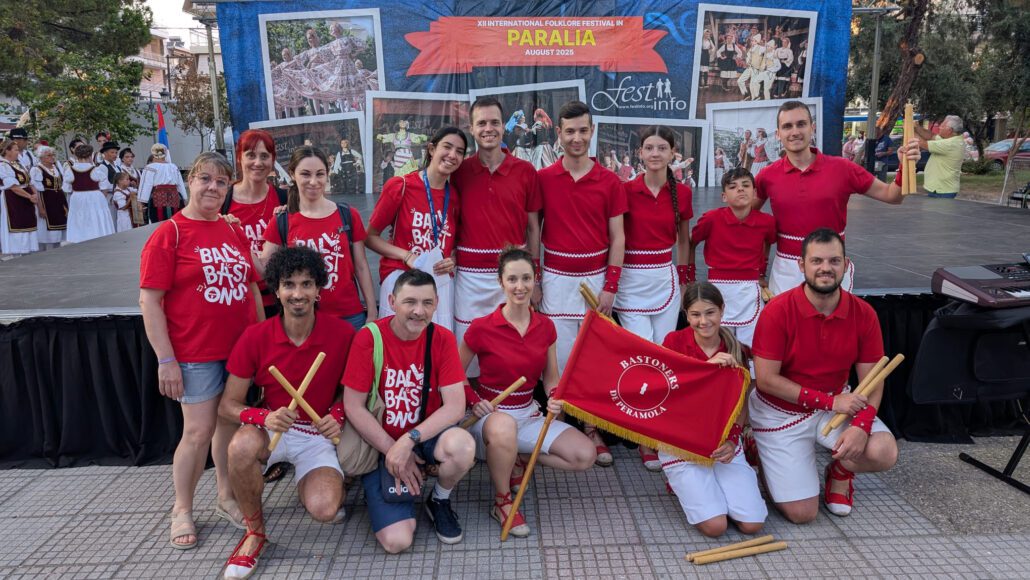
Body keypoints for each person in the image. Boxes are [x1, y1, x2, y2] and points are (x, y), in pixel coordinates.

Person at [139, 152, 264, 550]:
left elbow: (251, 286)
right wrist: (166, 359)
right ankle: (182, 508)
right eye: (205, 178)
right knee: (196, 432)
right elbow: (149, 301)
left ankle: (226, 496)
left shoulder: (232, 229)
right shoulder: (170, 233)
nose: (213, 187)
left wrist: (261, 341)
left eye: (222, 181)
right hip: (195, 353)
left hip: (238, 352)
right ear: (190, 181)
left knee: (226, 426)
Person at [219, 246, 355, 579]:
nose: (297, 293)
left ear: (318, 290)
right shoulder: (255, 337)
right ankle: (254, 533)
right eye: (289, 284)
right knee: (240, 448)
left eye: (306, 284)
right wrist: (263, 417)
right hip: (272, 427)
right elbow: (227, 406)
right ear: (276, 290)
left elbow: (352, 391)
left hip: (317, 434)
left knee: (325, 509)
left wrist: (337, 413)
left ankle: (312, 480)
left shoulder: (342, 334)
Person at [750, 229, 899, 523]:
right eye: (816, 261)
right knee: (802, 514)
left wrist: (861, 426)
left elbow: (873, 380)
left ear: (846, 264)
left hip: (834, 405)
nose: (825, 268)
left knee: (883, 451)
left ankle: (840, 471)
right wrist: (830, 403)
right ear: (801, 265)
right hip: (781, 412)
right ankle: (761, 452)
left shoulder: (864, 313)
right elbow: (766, 380)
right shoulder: (777, 311)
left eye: (834, 261)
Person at [460, 248, 596, 536]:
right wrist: (474, 401)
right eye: (512, 279)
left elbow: (551, 378)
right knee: (504, 428)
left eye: (526, 278)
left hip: (528, 413)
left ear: (535, 280)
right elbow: (455, 375)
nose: (519, 286)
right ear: (501, 282)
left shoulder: (546, 326)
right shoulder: (481, 327)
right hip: (490, 417)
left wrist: (556, 395)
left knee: (585, 455)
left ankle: (516, 459)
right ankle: (502, 501)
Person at [342, 269, 476, 553]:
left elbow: (455, 406)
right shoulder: (369, 338)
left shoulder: (442, 338)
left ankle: (438, 499)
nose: (419, 311)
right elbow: (353, 406)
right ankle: (379, 485)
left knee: (463, 447)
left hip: (422, 436)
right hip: (380, 441)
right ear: (392, 302)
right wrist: (394, 449)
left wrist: (408, 441)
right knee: (397, 541)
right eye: (410, 302)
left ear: (436, 303)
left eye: (427, 302)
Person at [538, 100, 627, 466]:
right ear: (559, 133)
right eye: (570, 131)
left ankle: (591, 428)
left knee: (592, 361)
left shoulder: (610, 181)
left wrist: (611, 286)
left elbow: (618, 237)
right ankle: (555, 427)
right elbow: (533, 230)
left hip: (594, 280)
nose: (577, 137)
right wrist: (536, 278)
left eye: (583, 130)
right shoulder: (543, 179)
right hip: (556, 280)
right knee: (557, 361)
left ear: (592, 132)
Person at [754, 101, 919, 295]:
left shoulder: (843, 168)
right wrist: (755, 270)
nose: (795, 131)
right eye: (787, 126)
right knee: (787, 317)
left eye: (801, 124)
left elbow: (892, 196)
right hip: (787, 269)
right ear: (778, 134)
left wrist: (905, 166)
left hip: (830, 267)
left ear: (812, 127)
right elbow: (745, 217)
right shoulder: (767, 175)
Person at [615, 126, 693, 471]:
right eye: (649, 147)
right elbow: (615, 237)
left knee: (665, 357)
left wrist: (685, 281)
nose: (656, 153)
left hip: (665, 280)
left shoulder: (683, 193)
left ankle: (661, 431)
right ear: (640, 153)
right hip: (631, 280)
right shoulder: (625, 190)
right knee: (641, 358)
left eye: (662, 148)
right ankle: (644, 438)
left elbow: (684, 240)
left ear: (673, 153)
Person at [661, 282, 767, 537]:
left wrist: (733, 439)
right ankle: (684, 482)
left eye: (710, 312)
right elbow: (666, 397)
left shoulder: (738, 349)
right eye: (695, 314)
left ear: (722, 310)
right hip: (683, 442)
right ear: (686, 315)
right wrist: (705, 370)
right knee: (715, 526)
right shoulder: (673, 341)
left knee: (752, 523)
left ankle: (710, 486)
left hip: (722, 442)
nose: (703, 321)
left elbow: (741, 402)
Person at [451, 97, 542, 377]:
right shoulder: (459, 172)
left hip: (512, 278)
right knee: (467, 353)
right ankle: (469, 401)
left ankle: (510, 402)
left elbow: (533, 228)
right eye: (481, 123)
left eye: (494, 122)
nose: (488, 129)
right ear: (471, 128)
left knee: (509, 351)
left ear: (504, 126)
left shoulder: (525, 171)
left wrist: (535, 277)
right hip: (469, 279)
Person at [261, 146, 378, 330]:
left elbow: (361, 266)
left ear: (327, 175)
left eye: (320, 174)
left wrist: (371, 312)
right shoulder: (282, 220)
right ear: (292, 174)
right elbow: (264, 268)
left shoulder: (347, 214)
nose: (313, 181)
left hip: (349, 315)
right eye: (305, 174)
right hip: (304, 319)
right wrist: (236, 236)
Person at [366, 126, 466, 331]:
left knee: (436, 344)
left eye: (459, 151)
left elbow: (453, 244)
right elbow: (369, 237)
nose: (452, 155)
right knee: (399, 344)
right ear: (431, 149)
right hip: (402, 278)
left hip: (439, 284)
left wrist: (452, 260)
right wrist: (406, 255)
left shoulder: (455, 196)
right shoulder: (401, 186)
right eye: (447, 147)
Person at [690, 167, 775, 349]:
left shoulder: (766, 222)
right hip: (718, 289)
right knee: (720, 344)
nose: (740, 189)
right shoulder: (711, 219)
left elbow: (768, 242)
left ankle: (748, 369)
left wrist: (762, 272)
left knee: (751, 345)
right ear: (724, 196)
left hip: (749, 291)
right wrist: (689, 276)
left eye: (745, 185)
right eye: (733, 186)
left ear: (754, 193)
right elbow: (691, 242)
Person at [224, 130, 288, 319]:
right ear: (239, 158)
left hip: (278, 301)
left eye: (264, 156)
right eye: (251, 155)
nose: (258, 163)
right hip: (237, 299)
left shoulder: (284, 199)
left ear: (273, 160)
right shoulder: (223, 201)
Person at [61, 143, 114, 243]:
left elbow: (67, 189)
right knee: (96, 217)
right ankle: (99, 237)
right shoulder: (96, 170)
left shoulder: (70, 171)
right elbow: (105, 187)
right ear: (90, 155)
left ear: (76, 155)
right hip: (95, 196)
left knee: (79, 218)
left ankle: (79, 239)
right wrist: (101, 199)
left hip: (77, 197)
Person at [0, 139, 40, 255]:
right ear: (7, 151)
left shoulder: (18, 164)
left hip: (26, 199)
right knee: (17, 224)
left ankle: (28, 252)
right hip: (13, 199)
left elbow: (30, 182)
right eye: (15, 150)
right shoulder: (3, 165)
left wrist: (35, 195)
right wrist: (30, 196)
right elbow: (13, 186)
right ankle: (18, 253)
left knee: (28, 222)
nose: (18, 152)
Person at [915, 115, 965, 198]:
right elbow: (931, 136)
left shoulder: (950, 144)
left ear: (949, 130)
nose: (939, 127)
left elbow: (921, 143)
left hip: (943, 190)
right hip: (940, 188)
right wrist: (916, 127)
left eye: (942, 126)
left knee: (938, 206)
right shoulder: (951, 139)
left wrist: (908, 129)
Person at [138, 143, 187, 223]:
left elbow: (146, 184)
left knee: (159, 221)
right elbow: (180, 184)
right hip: (174, 197)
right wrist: (184, 198)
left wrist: (142, 201)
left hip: (158, 197)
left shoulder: (150, 167)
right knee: (174, 220)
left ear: (153, 154)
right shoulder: (173, 166)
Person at [29, 145, 67, 247]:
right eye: (48, 155)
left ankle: (58, 248)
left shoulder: (56, 167)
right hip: (46, 201)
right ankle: (47, 250)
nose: (52, 157)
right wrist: (41, 208)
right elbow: (36, 190)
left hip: (59, 201)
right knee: (47, 230)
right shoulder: (36, 169)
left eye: (52, 155)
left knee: (59, 227)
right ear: (41, 157)